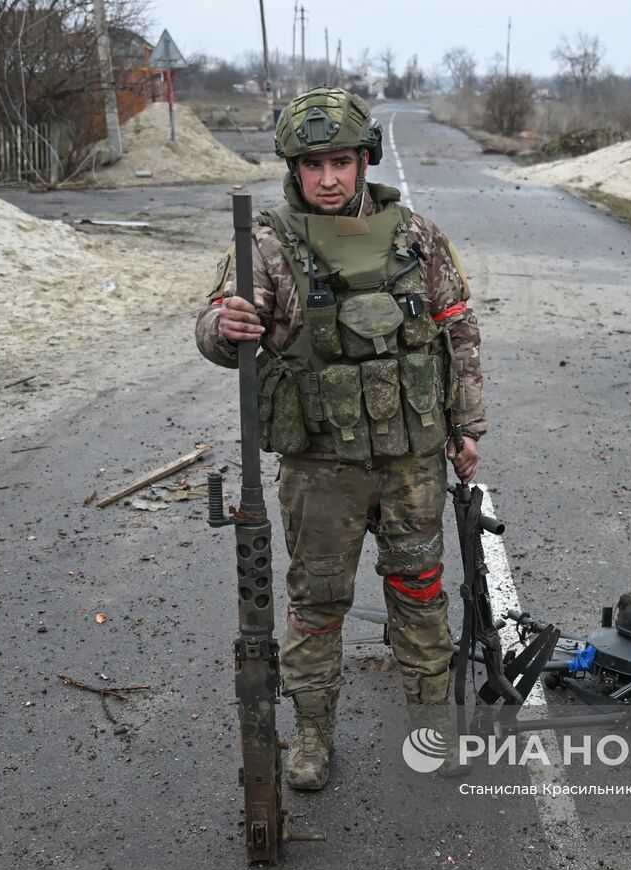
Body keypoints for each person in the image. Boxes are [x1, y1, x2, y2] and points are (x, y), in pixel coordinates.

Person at [195, 87, 486, 791]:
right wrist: (224, 327)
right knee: (318, 602)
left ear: (364, 162)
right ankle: (313, 738)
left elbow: (458, 329)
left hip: (411, 460)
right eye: (313, 164)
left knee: (420, 592)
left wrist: (467, 424)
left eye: (342, 163)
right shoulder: (265, 244)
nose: (328, 178)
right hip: (320, 469)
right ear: (293, 170)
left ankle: (429, 731)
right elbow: (216, 325)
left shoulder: (418, 236)